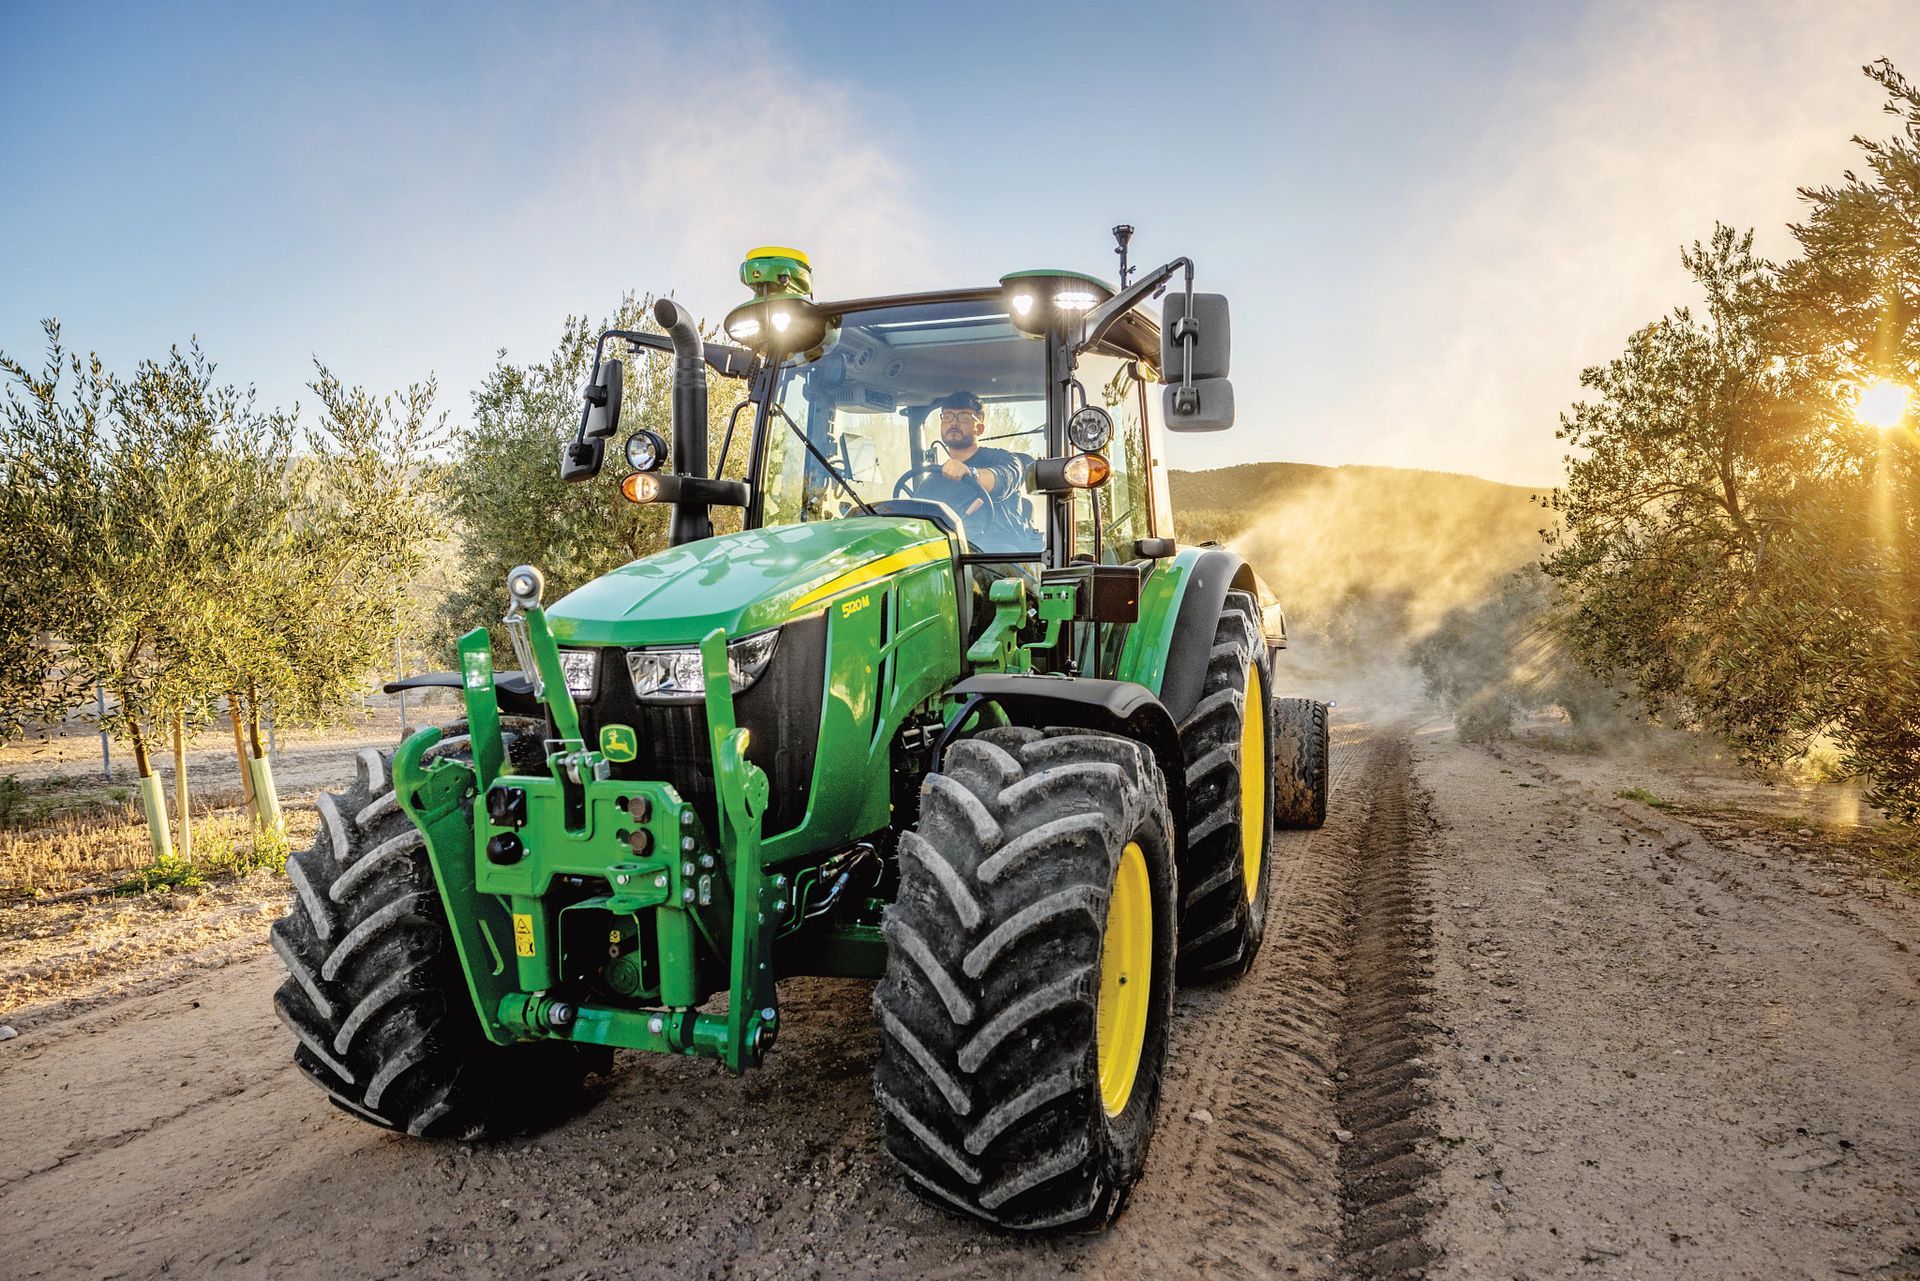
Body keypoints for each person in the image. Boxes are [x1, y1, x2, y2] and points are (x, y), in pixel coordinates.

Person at [910, 391, 1037, 552]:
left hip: (1001, 557)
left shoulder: (1004, 460)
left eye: (964, 417)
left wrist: (971, 474)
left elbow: (1003, 479)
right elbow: (915, 523)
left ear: (980, 428)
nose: (954, 423)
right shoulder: (931, 483)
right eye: (947, 417)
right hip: (949, 556)